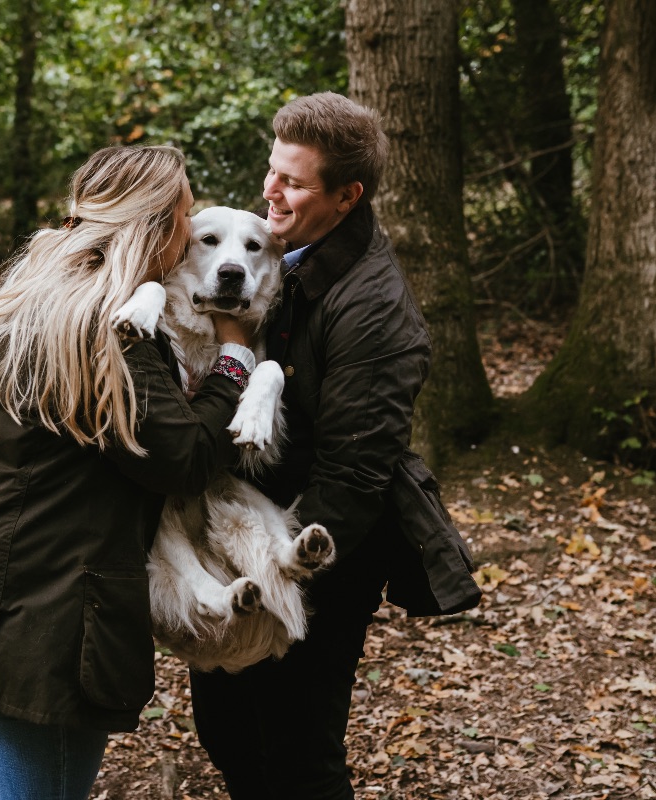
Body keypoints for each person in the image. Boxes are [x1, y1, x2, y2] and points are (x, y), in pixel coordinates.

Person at [0, 144, 259, 800]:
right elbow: (183, 459)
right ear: (154, 230)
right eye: (184, 215)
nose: (189, 230)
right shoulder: (105, 329)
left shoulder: (42, 290)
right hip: (47, 609)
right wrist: (235, 356)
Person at [188, 92, 482, 799]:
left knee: (298, 756)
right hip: (246, 529)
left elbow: (352, 476)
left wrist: (277, 572)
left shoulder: (374, 307)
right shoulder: (277, 253)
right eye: (271, 171)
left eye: (291, 181)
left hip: (320, 550)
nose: (270, 192)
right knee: (226, 732)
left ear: (346, 197)